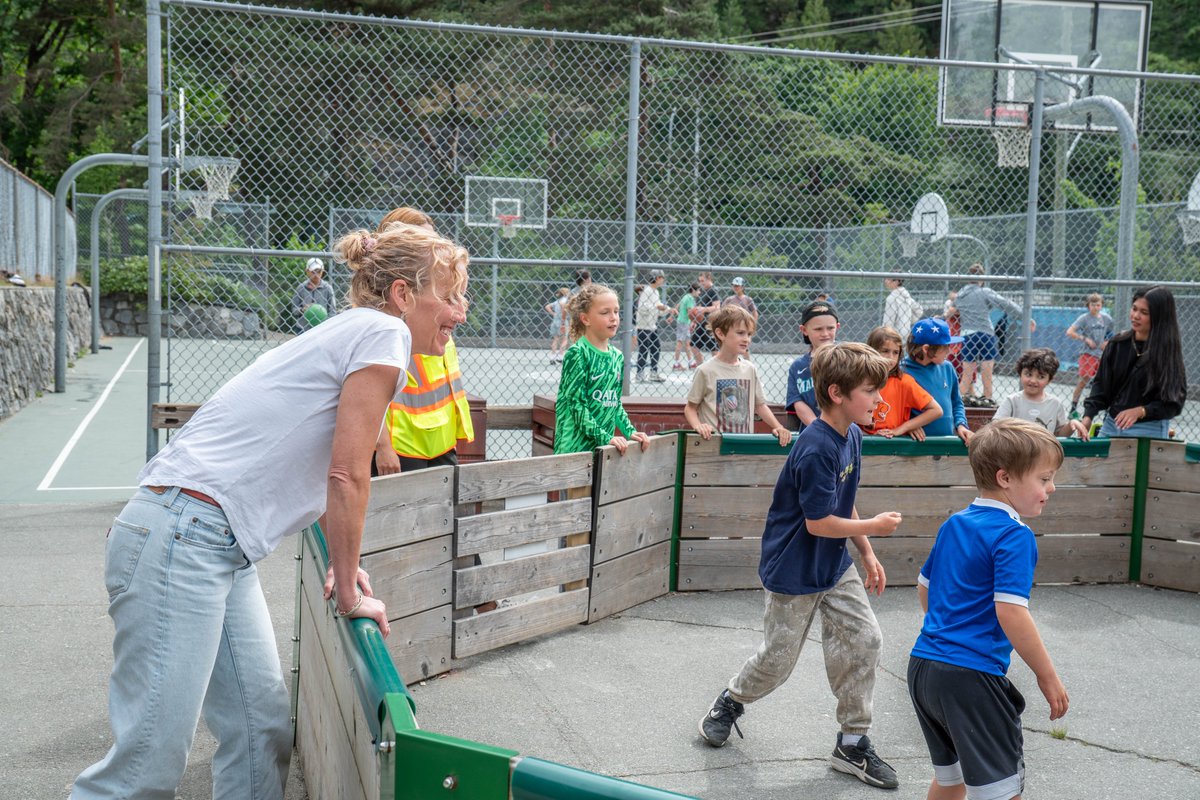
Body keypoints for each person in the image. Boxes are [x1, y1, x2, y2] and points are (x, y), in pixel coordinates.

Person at [70, 223, 469, 800]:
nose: (459, 313)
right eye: (449, 296)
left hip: (210, 539)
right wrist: (352, 593)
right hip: (186, 532)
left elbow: (315, 459)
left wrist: (344, 561)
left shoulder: (355, 332)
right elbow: (348, 474)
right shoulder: (384, 333)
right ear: (405, 295)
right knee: (146, 767)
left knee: (261, 732)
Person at [697, 342, 901, 791]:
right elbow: (820, 522)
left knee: (865, 639)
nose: (879, 399)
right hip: (794, 569)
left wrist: (866, 551)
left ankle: (852, 744)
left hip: (834, 564)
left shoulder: (852, 436)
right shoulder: (815, 447)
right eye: (870, 390)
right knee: (778, 661)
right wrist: (875, 526)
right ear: (837, 392)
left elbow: (842, 503)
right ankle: (730, 702)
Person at [908, 418, 1069, 800]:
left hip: (925, 668)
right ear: (1005, 478)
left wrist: (948, 632)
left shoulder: (956, 523)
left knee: (953, 779)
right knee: (1000, 790)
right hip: (971, 678)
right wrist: (1048, 678)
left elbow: (924, 588)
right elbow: (1011, 612)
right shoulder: (1014, 535)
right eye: (1043, 478)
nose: (1051, 488)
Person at [371, 207, 475, 475]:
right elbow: (368, 392)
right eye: (421, 242)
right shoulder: (383, 323)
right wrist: (382, 445)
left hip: (439, 441)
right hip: (403, 443)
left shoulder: (432, 309)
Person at [554, 283, 650, 455]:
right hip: (574, 451)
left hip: (601, 450)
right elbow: (577, 406)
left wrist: (630, 431)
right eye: (605, 313)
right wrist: (606, 437)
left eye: (616, 311)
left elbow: (614, 403)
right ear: (585, 319)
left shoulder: (617, 357)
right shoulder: (577, 354)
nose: (613, 318)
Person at [1081, 286, 1187, 440]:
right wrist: (1088, 417)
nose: (1135, 316)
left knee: (1141, 464)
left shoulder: (1167, 354)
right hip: (1112, 424)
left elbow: (1173, 404)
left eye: (1144, 313)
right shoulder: (1117, 343)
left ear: (1159, 317)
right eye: (1134, 309)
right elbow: (1101, 386)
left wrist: (1141, 411)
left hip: (1149, 428)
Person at [683, 305, 791, 445]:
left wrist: (778, 427)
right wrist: (698, 425)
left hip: (743, 445)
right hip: (714, 445)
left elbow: (760, 405)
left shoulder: (750, 369)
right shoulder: (705, 370)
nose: (746, 339)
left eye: (749, 334)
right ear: (721, 334)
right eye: (740, 333)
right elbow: (690, 408)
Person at [952, 264, 1034, 407]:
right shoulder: (984, 292)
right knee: (987, 370)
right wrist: (1025, 317)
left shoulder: (960, 295)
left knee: (967, 374)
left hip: (967, 334)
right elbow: (1005, 304)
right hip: (985, 333)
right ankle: (988, 397)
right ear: (982, 278)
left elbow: (957, 308)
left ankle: (956, 401)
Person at [901, 317, 972, 444]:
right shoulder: (902, 370)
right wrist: (909, 425)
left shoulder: (947, 367)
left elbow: (956, 402)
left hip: (945, 443)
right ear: (926, 349)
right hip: (915, 445)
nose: (948, 351)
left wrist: (961, 424)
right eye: (945, 347)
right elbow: (895, 408)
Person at [864, 326, 942, 440]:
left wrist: (903, 428)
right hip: (862, 442)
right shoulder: (859, 379)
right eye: (885, 351)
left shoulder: (904, 382)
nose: (890, 358)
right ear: (872, 350)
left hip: (893, 446)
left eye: (895, 352)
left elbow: (936, 410)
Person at [994, 348, 1089, 439]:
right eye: (1028, 374)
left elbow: (1059, 435)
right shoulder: (1012, 401)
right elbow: (995, 426)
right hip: (1016, 452)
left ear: (1049, 380)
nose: (1033, 380)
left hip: (1044, 453)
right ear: (1020, 374)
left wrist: (1072, 424)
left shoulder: (1055, 404)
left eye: (1041, 377)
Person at [785, 300, 840, 430]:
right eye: (818, 329)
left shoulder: (848, 358)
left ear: (837, 327)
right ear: (804, 330)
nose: (825, 334)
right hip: (813, 432)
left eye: (830, 328)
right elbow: (798, 402)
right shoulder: (798, 367)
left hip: (843, 430)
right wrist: (819, 427)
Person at [1065, 293, 1115, 416]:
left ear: (1101, 305)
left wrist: (1106, 341)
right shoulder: (1084, 318)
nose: (1096, 307)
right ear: (1088, 306)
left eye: (1098, 305)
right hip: (1088, 353)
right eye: (1093, 305)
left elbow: (1111, 332)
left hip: (1101, 354)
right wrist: (1085, 339)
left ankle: (1101, 407)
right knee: (1084, 380)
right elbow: (1070, 332)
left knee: (1104, 380)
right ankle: (1073, 407)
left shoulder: (1106, 318)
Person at [635, 269, 674, 382]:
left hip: (652, 326)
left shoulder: (656, 292)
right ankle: (639, 374)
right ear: (657, 278)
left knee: (656, 347)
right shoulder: (646, 291)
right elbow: (642, 309)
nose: (663, 280)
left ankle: (653, 372)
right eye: (662, 278)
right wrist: (656, 307)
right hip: (643, 326)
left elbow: (658, 310)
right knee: (644, 349)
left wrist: (668, 309)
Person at [292, 257, 338, 332]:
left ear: (323, 271)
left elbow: (332, 311)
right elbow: (294, 310)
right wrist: (302, 309)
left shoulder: (327, 288)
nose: (316, 275)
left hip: (322, 328)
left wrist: (326, 324)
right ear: (307, 271)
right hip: (303, 328)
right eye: (313, 272)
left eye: (319, 271)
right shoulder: (301, 288)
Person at [688, 271, 722, 363]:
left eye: (703, 281)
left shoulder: (713, 290)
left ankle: (717, 369)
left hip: (711, 323)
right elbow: (699, 308)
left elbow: (717, 307)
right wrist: (694, 321)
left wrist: (704, 309)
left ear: (709, 279)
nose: (701, 283)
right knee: (693, 345)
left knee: (714, 349)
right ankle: (701, 367)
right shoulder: (703, 291)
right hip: (701, 322)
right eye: (699, 281)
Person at [673, 282, 702, 371]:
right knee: (681, 342)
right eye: (698, 290)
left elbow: (677, 306)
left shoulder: (686, 296)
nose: (699, 292)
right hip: (685, 322)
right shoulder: (690, 298)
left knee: (686, 342)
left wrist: (677, 315)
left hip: (682, 321)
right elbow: (690, 312)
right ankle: (676, 363)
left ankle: (690, 362)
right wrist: (694, 322)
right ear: (693, 290)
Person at [546, 286, 571, 363]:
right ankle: (560, 356)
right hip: (562, 321)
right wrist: (563, 320)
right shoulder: (565, 301)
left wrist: (553, 313)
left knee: (556, 339)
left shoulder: (557, 301)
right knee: (565, 339)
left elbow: (547, 306)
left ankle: (552, 357)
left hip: (555, 321)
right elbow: (563, 307)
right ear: (566, 293)